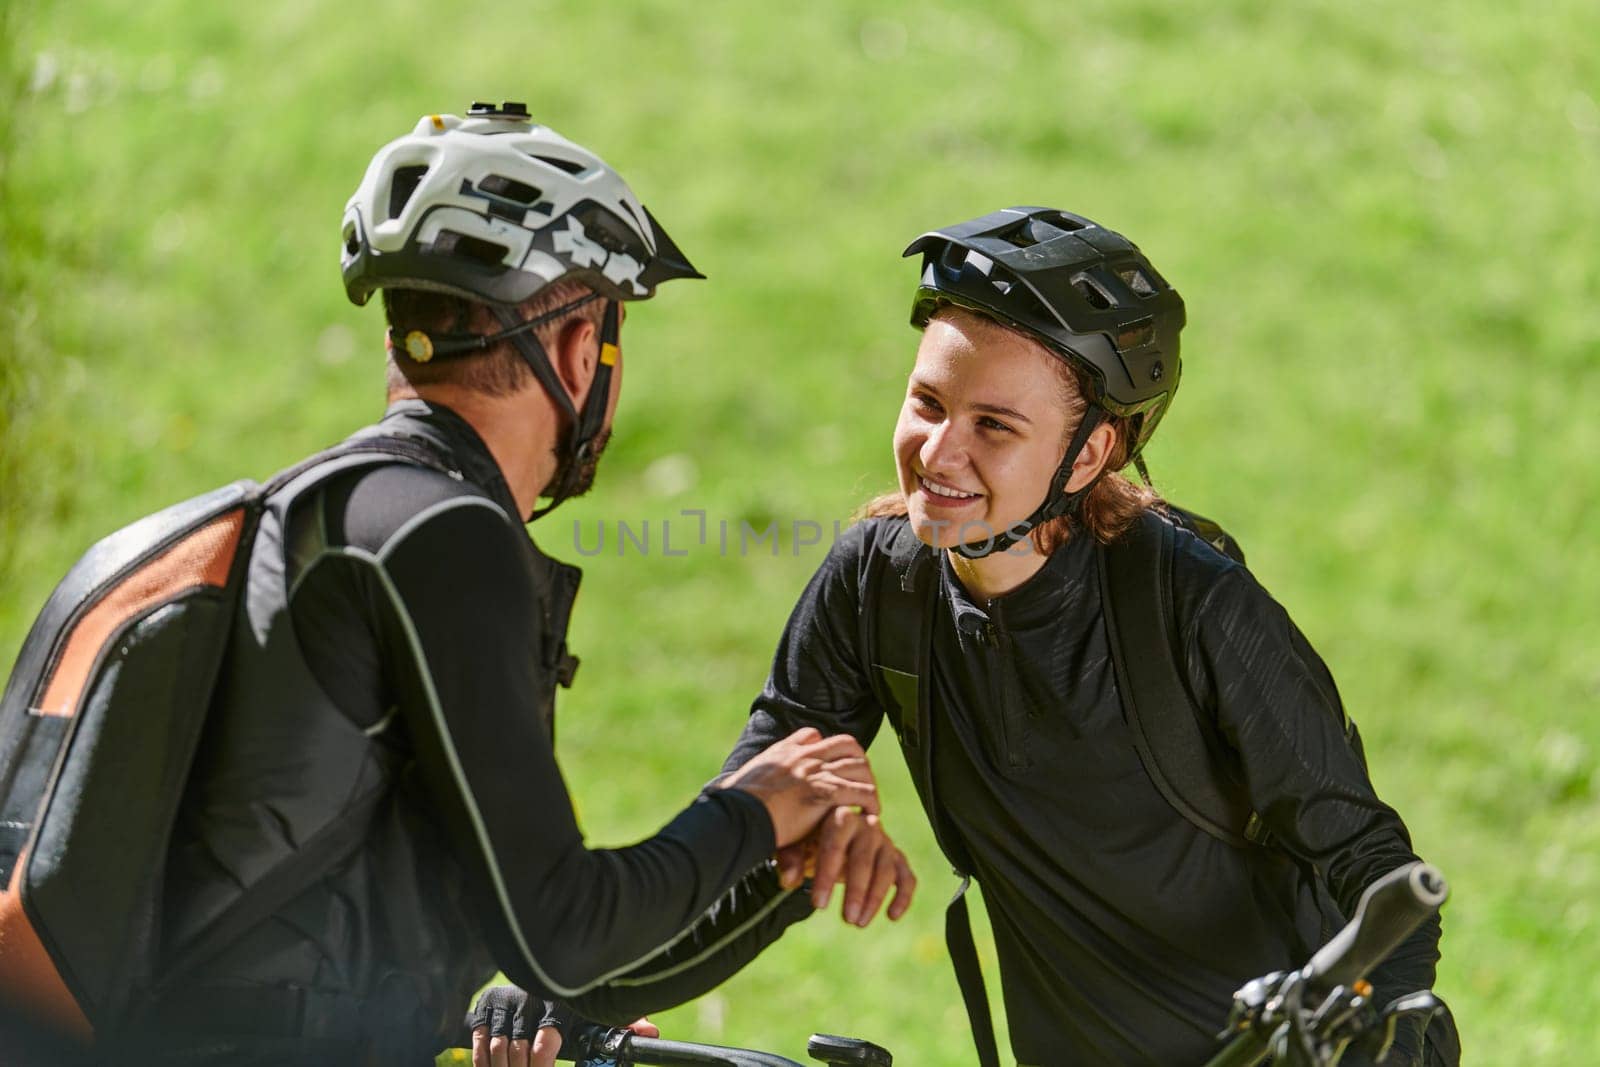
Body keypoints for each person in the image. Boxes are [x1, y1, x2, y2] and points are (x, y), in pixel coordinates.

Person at [110, 104, 901, 1066]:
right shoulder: (444, 539)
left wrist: (764, 865)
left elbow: (512, 949)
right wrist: (759, 803)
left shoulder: (324, 518)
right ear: (577, 350)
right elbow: (560, 932)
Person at [707, 206, 1455, 1065]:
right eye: (927, 402)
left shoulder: (1192, 605)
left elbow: (1374, 869)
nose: (938, 453)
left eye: (994, 424)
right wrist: (568, 983)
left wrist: (1396, 1031)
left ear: (1090, 451)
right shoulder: (879, 586)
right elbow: (739, 829)